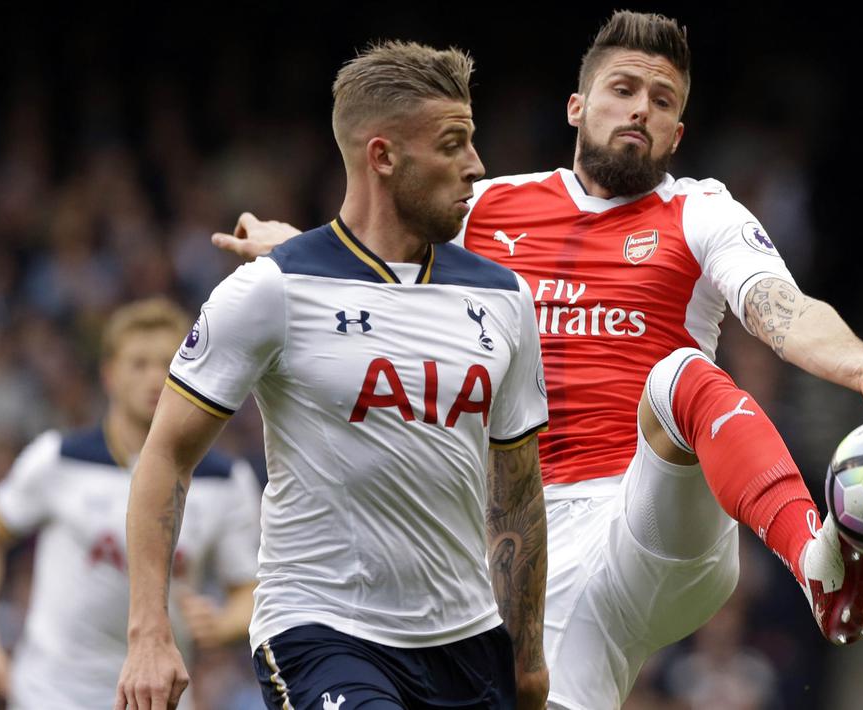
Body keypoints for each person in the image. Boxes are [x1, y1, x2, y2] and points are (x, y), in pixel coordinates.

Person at [213, 12, 863, 709]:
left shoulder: (700, 211)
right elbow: (370, 244)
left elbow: (778, 308)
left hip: (643, 515)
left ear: (677, 130)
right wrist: (288, 243)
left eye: (662, 101)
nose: (640, 110)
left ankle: (814, 560)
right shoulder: (485, 208)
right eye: (623, 90)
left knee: (678, 376)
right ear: (576, 106)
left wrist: (857, 366)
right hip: (519, 545)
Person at [115, 41, 550, 710]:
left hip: (468, 643)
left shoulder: (503, 297)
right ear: (382, 156)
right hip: (323, 633)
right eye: (453, 144)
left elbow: (516, 494)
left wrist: (527, 656)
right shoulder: (273, 290)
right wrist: (149, 632)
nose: (476, 167)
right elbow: (166, 455)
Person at [0, 297, 260, 710]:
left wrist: (224, 624)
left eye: (168, 363)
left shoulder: (225, 480)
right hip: (48, 695)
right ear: (110, 375)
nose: (156, 378)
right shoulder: (59, 458)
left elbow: (251, 591)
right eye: (139, 364)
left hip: (158, 698)